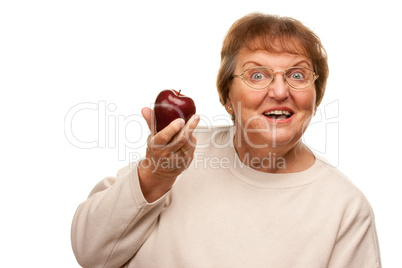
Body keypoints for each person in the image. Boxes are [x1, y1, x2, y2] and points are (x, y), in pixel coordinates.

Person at [71, 13, 381, 268]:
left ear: (316, 97)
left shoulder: (345, 208)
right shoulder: (178, 156)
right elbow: (90, 253)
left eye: (297, 76)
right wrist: (155, 175)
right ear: (227, 98)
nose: (279, 91)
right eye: (257, 75)